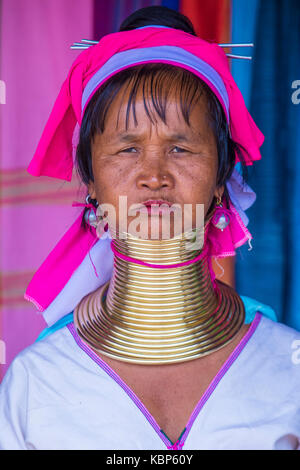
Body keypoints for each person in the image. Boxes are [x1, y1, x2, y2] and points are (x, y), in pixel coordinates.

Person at [0, 6, 299, 450]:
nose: (153, 175)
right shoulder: (35, 384)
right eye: (126, 149)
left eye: (180, 147)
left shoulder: (288, 371)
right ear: (91, 180)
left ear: (223, 178)